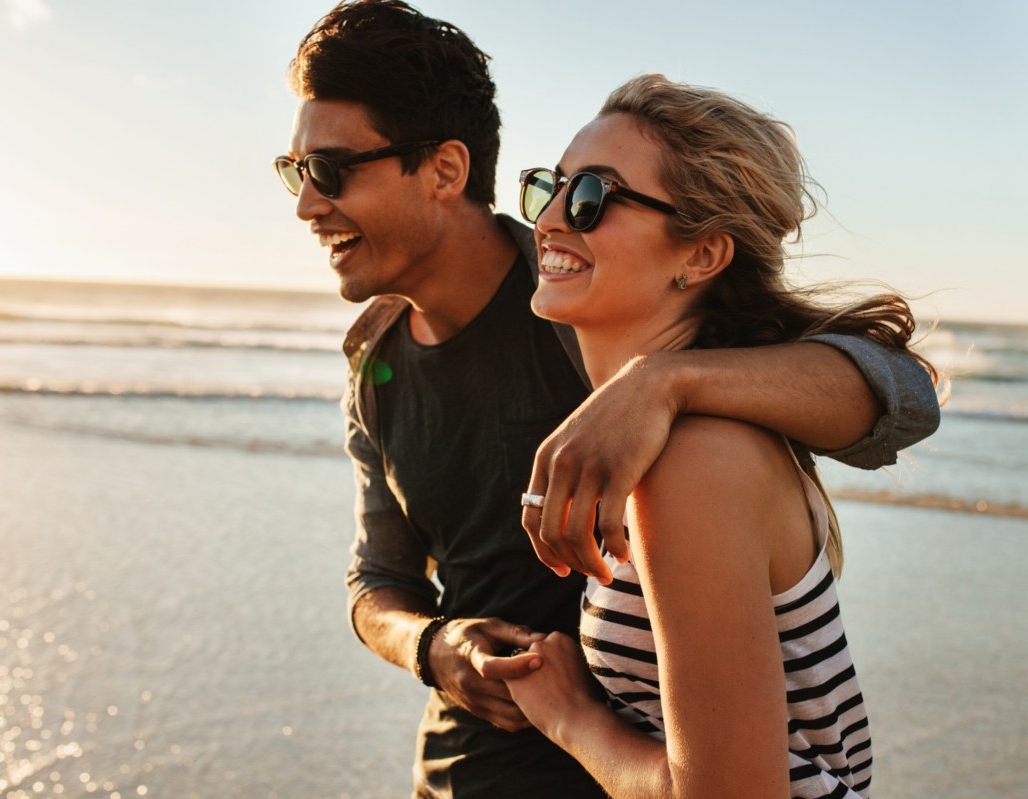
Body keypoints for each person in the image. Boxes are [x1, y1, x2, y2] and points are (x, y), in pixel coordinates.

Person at [274, 2, 939, 796]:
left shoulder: (589, 309)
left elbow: (904, 395)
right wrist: (434, 646)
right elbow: (378, 576)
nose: (307, 203)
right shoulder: (375, 361)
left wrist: (661, 383)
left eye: (330, 170)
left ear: (445, 170)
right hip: (463, 771)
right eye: (295, 172)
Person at [505, 75, 932, 798]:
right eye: (549, 187)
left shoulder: (693, 460)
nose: (550, 218)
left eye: (591, 197)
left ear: (700, 256)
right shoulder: (676, 436)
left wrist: (569, 715)